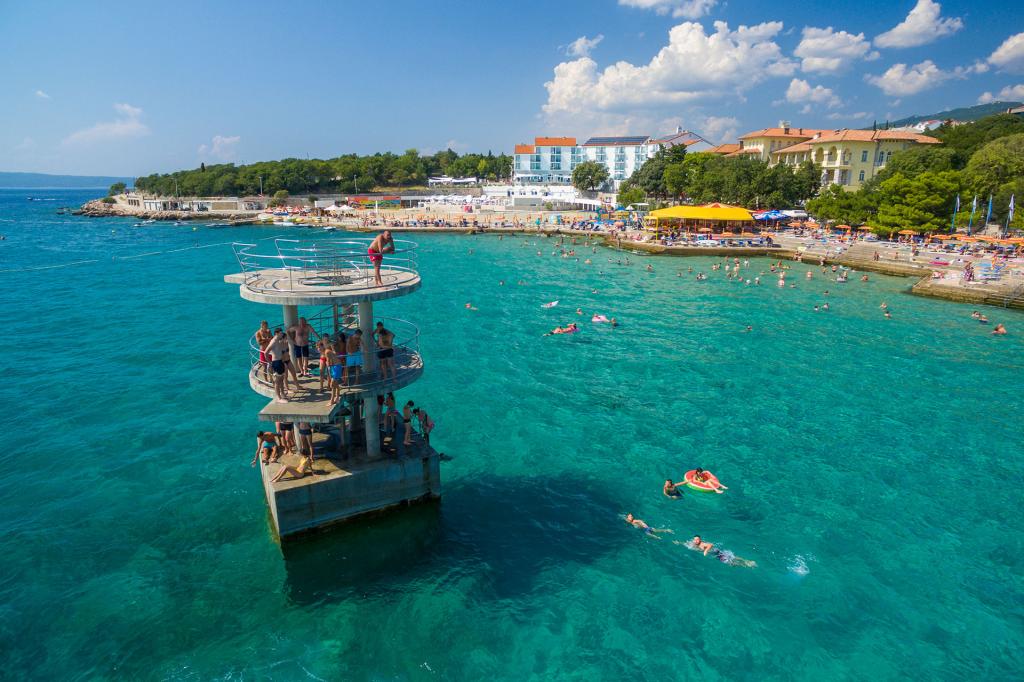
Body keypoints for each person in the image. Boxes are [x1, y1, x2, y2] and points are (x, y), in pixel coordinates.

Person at [682, 535, 756, 567]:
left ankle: (746, 564)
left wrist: (705, 551)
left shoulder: (702, 544)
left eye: (697, 539)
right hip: (719, 552)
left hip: (718, 554)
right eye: (695, 539)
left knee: (731, 563)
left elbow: (710, 544)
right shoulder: (695, 544)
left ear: (700, 539)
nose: (696, 540)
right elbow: (687, 544)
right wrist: (679, 543)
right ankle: (747, 561)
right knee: (733, 557)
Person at [265, 329, 290, 401]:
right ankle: (279, 398)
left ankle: (283, 394)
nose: (282, 334)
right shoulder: (273, 342)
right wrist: (270, 363)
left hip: (280, 361)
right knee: (277, 381)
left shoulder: (278, 340)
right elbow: (266, 352)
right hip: (276, 362)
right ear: (276, 333)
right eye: (281, 333)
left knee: (281, 379)